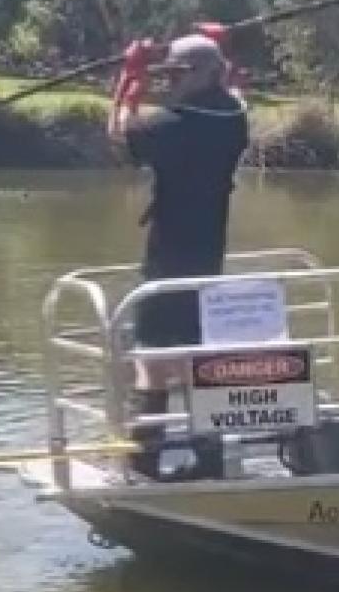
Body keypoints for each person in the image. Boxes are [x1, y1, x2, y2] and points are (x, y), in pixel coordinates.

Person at [106, 32, 251, 480]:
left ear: (201, 76)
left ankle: (143, 457)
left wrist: (129, 82)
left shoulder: (172, 126)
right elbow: (236, 92)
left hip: (167, 259)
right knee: (194, 357)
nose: (168, 84)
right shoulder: (233, 119)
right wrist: (220, 57)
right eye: (164, 75)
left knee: (153, 357)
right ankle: (207, 456)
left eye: (175, 75)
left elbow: (118, 137)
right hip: (208, 258)